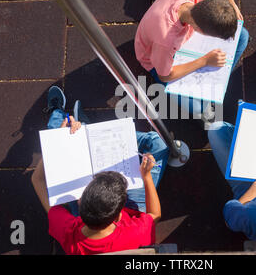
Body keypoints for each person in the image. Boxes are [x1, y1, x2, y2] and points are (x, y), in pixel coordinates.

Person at [31, 86, 169, 254]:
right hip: (131, 210)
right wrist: (146, 177)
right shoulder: (136, 232)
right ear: (119, 216)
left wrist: (59, 141)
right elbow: (154, 215)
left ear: (80, 201)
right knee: (157, 143)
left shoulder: (68, 231)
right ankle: (90, 129)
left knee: (56, 133)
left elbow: (37, 179)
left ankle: (58, 114)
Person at [135, 0, 249, 121]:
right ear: (198, 29)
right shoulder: (165, 40)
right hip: (157, 59)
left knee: (243, 35)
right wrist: (204, 61)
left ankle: (216, 83)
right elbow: (165, 75)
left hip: (181, 42)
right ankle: (212, 87)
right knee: (197, 108)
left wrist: (233, 6)